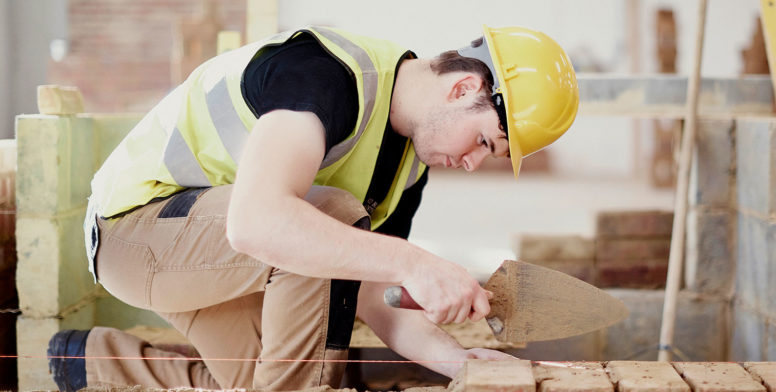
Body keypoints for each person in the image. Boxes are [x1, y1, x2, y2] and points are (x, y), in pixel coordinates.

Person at [47, 24, 579, 390]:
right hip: (137, 231)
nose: (472, 163)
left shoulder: (408, 168)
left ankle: (93, 361)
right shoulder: (327, 76)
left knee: (266, 377)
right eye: (485, 142)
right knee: (328, 221)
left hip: (219, 261)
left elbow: (375, 293)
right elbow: (258, 222)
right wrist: (417, 263)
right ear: (465, 87)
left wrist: (460, 363)